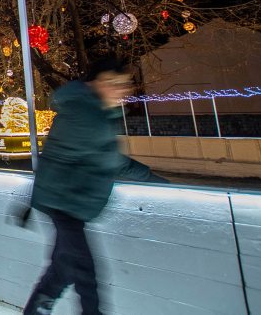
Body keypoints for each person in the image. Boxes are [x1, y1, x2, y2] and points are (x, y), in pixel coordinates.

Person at [24, 58, 167, 315]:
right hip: (64, 200)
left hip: (68, 199)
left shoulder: (92, 109)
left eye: (124, 85)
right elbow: (110, 160)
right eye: (112, 83)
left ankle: (37, 309)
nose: (120, 90)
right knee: (85, 273)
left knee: (65, 267)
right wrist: (155, 180)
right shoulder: (87, 113)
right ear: (95, 83)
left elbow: (103, 157)